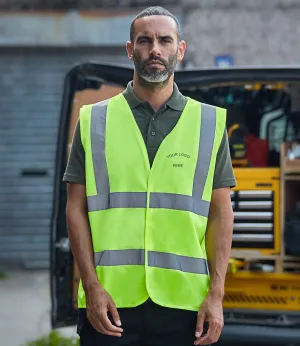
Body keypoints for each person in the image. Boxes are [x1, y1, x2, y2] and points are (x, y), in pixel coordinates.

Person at [63, 6, 236, 346]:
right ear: (130, 50)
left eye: (164, 40)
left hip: (184, 305)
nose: (155, 49)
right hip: (110, 304)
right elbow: (75, 209)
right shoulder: (93, 120)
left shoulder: (209, 125)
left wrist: (216, 294)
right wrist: (92, 287)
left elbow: (221, 213)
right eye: (144, 41)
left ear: (180, 50)